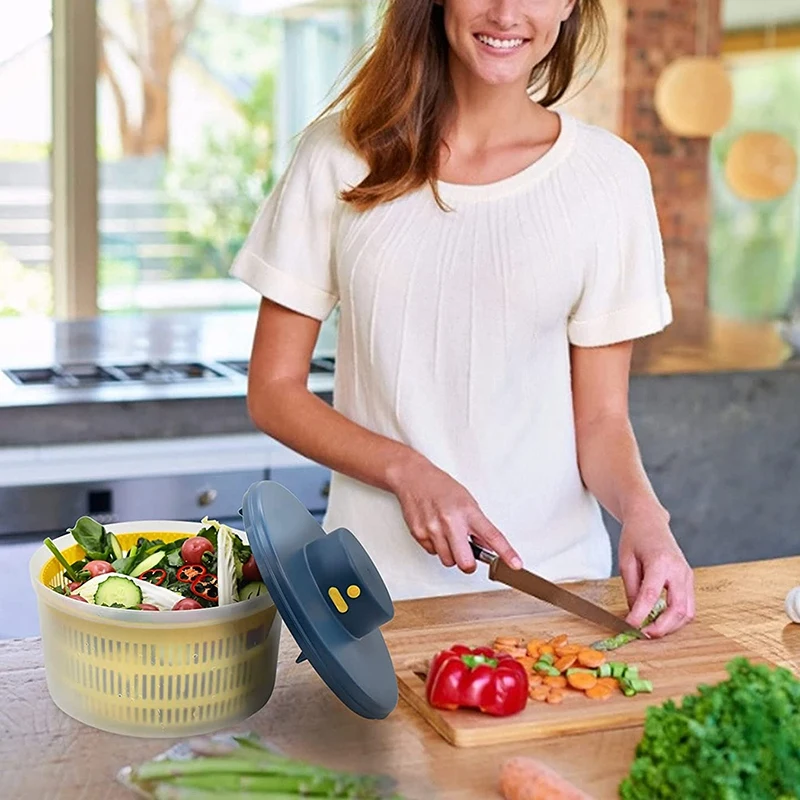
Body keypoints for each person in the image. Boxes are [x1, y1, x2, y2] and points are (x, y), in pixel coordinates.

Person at [230, 0, 695, 638]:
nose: (506, 13)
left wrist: (647, 516)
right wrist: (406, 469)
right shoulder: (338, 155)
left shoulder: (608, 179)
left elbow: (602, 419)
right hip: (369, 598)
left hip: (553, 595)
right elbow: (273, 392)